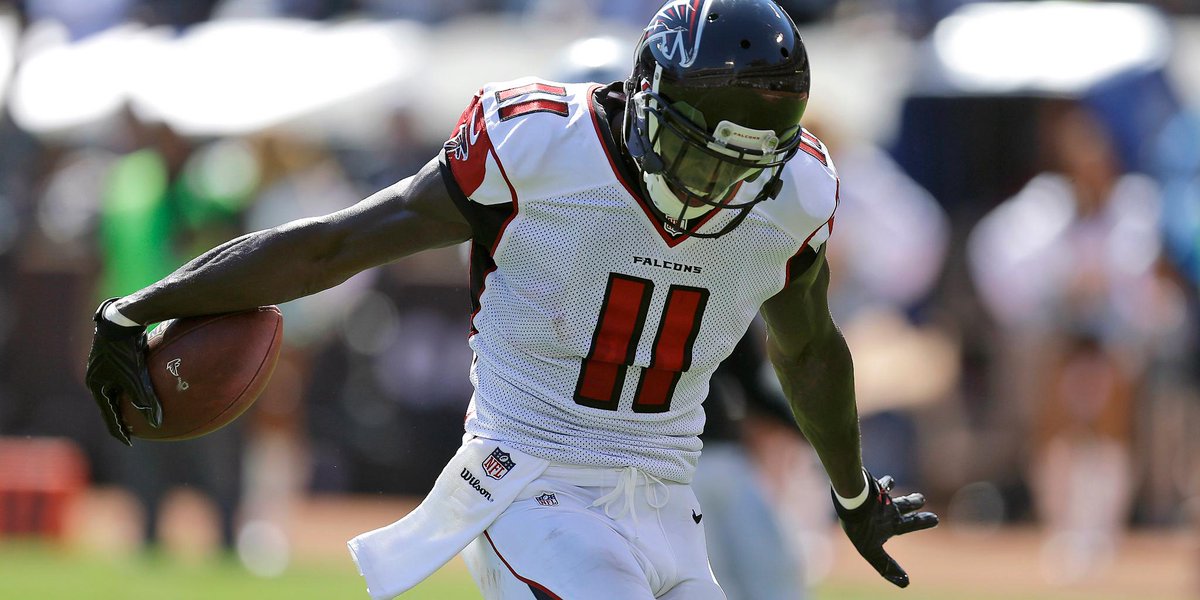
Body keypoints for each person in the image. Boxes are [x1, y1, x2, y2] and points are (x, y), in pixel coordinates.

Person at [83, 1, 938, 598]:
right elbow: (333, 245)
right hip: (532, 483)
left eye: (740, 167)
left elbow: (809, 347)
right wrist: (138, 308)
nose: (714, 186)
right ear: (648, 98)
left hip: (668, 500)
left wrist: (852, 493)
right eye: (698, 154)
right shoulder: (540, 146)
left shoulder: (794, 193)